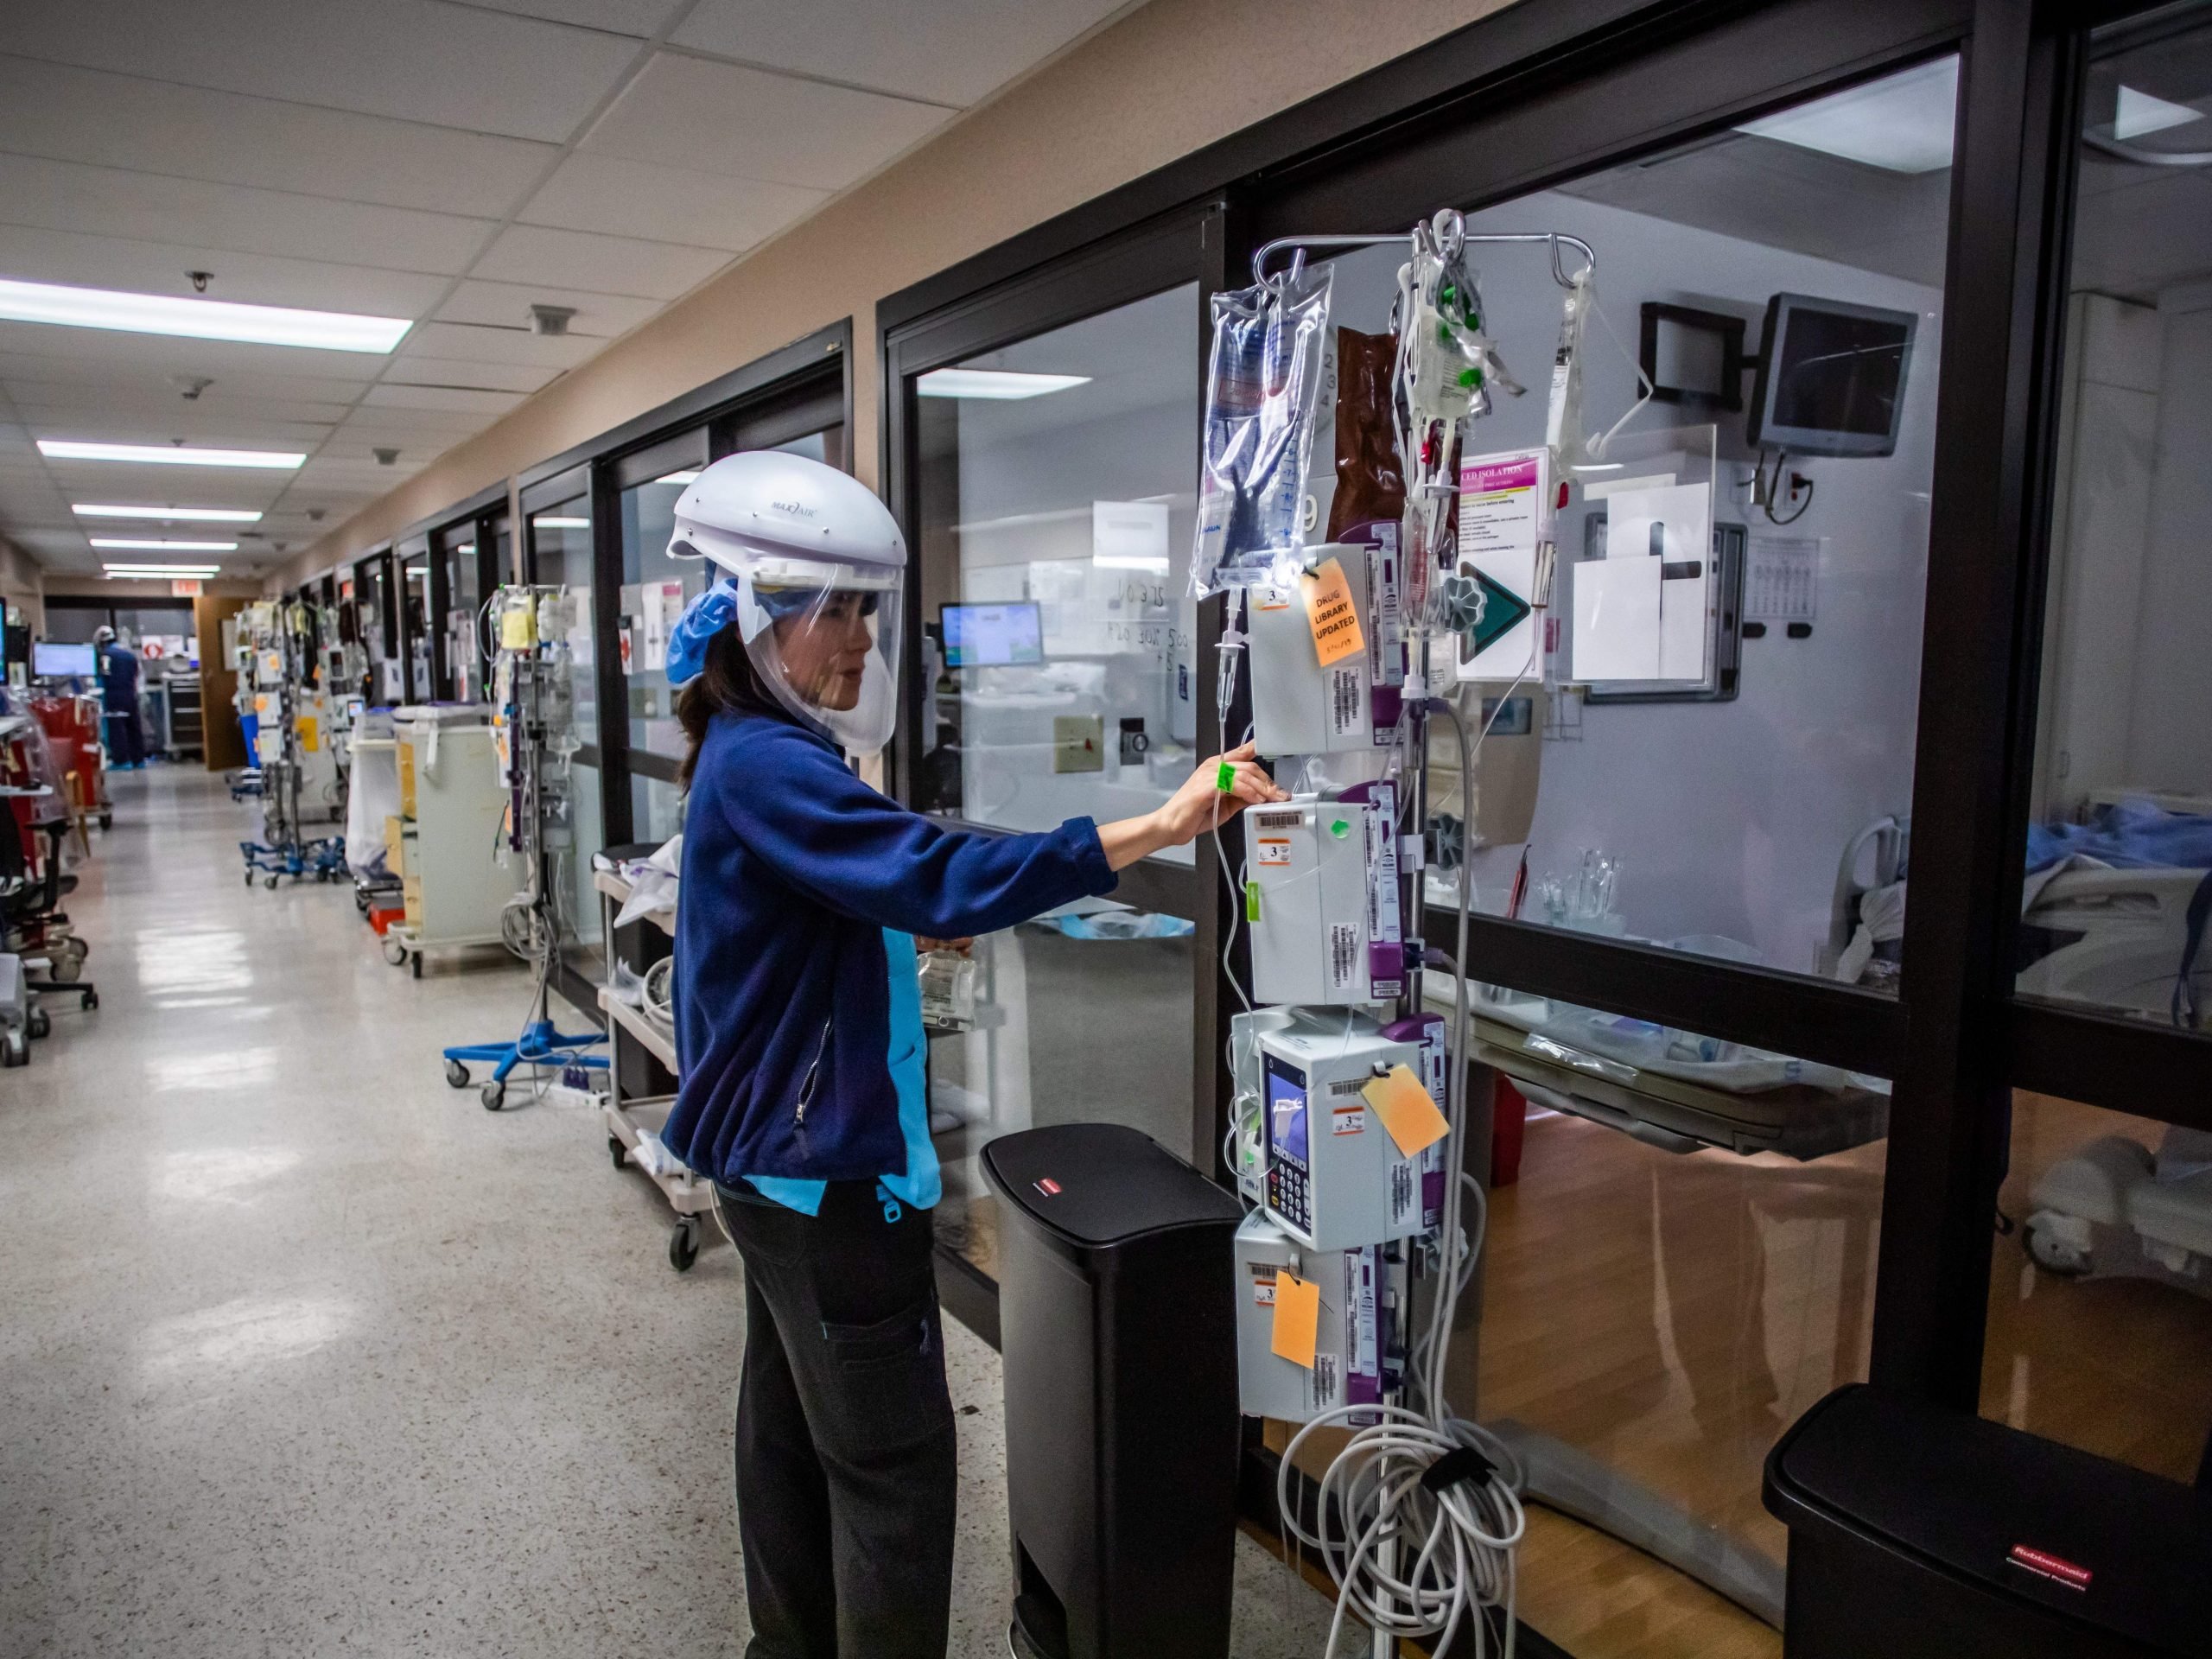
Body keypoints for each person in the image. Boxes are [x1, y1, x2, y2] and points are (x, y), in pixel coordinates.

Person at [659, 450, 1284, 1659]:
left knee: (788, 1435)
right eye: (832, 609)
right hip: (827, 1183)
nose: (857, 637)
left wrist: (894, 903)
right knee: (894, 1478)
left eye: (866, 609)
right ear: (756, 619)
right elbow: (930, 864)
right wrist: (1158, 820)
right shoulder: (773, 767)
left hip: (770, 1175)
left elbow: (880, 874)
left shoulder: (751, 755)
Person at [92, 626, 143, 768]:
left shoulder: (106, 656)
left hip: (114, 694)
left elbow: (104, 676)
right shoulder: (129, 654)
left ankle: (121, 761)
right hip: (130, 694)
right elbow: (136, 674)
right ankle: (138, 760)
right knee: (133, 727)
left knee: (117, 728)